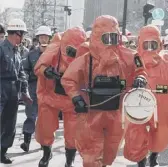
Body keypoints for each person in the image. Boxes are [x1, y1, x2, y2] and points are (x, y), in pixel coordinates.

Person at [61, 15, 147, 167]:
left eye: (113, 37)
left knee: (110, 152)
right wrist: (76, 98)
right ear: (96, 36)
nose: (109, 41)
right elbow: (68, 79)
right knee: (91, 154)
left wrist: (140, 78)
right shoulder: (86, 59)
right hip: (91, 113)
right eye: (105, 37)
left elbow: (140, 70)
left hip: (116, 112)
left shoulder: (128, 56)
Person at [123, 25, 168, 167]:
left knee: (161, 133)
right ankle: (141, 161)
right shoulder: (133, 60)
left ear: (159, 43)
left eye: (152, 44)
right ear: (140, 43)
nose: (149, 48)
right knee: (136, 134)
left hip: (162, 104)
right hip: (138, 104)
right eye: (145, 44)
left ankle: (154, 155)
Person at [34, 27, 86, 167]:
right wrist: (48, 72)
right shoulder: (54, 49)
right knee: (45, 127)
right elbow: (38, 67)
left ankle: (69, 161)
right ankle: (46, 153)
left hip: (72, 98)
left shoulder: (86, 53)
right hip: (51, 95)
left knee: (73, 132)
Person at [0, 18, 32, 164]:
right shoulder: (1, 49)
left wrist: (25, 92)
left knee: (10, 123)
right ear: (16, 33)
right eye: (22, 34)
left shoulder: (17, 51)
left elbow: (21, 73)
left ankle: (2, 151)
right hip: (1, 87)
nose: (23, 37)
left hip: (14, 90)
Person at [20, 26, 52, 153]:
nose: (43, 38)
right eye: (41, 36)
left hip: (49, 88)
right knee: (31, 115)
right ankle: (26, 141)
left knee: (46, 118)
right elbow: (25, 70)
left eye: (46, 36)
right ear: (38, 38)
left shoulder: (54, 53)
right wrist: (25, 83)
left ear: (49, 38)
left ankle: (44, 142)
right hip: (33, 86)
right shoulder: (31, 54)